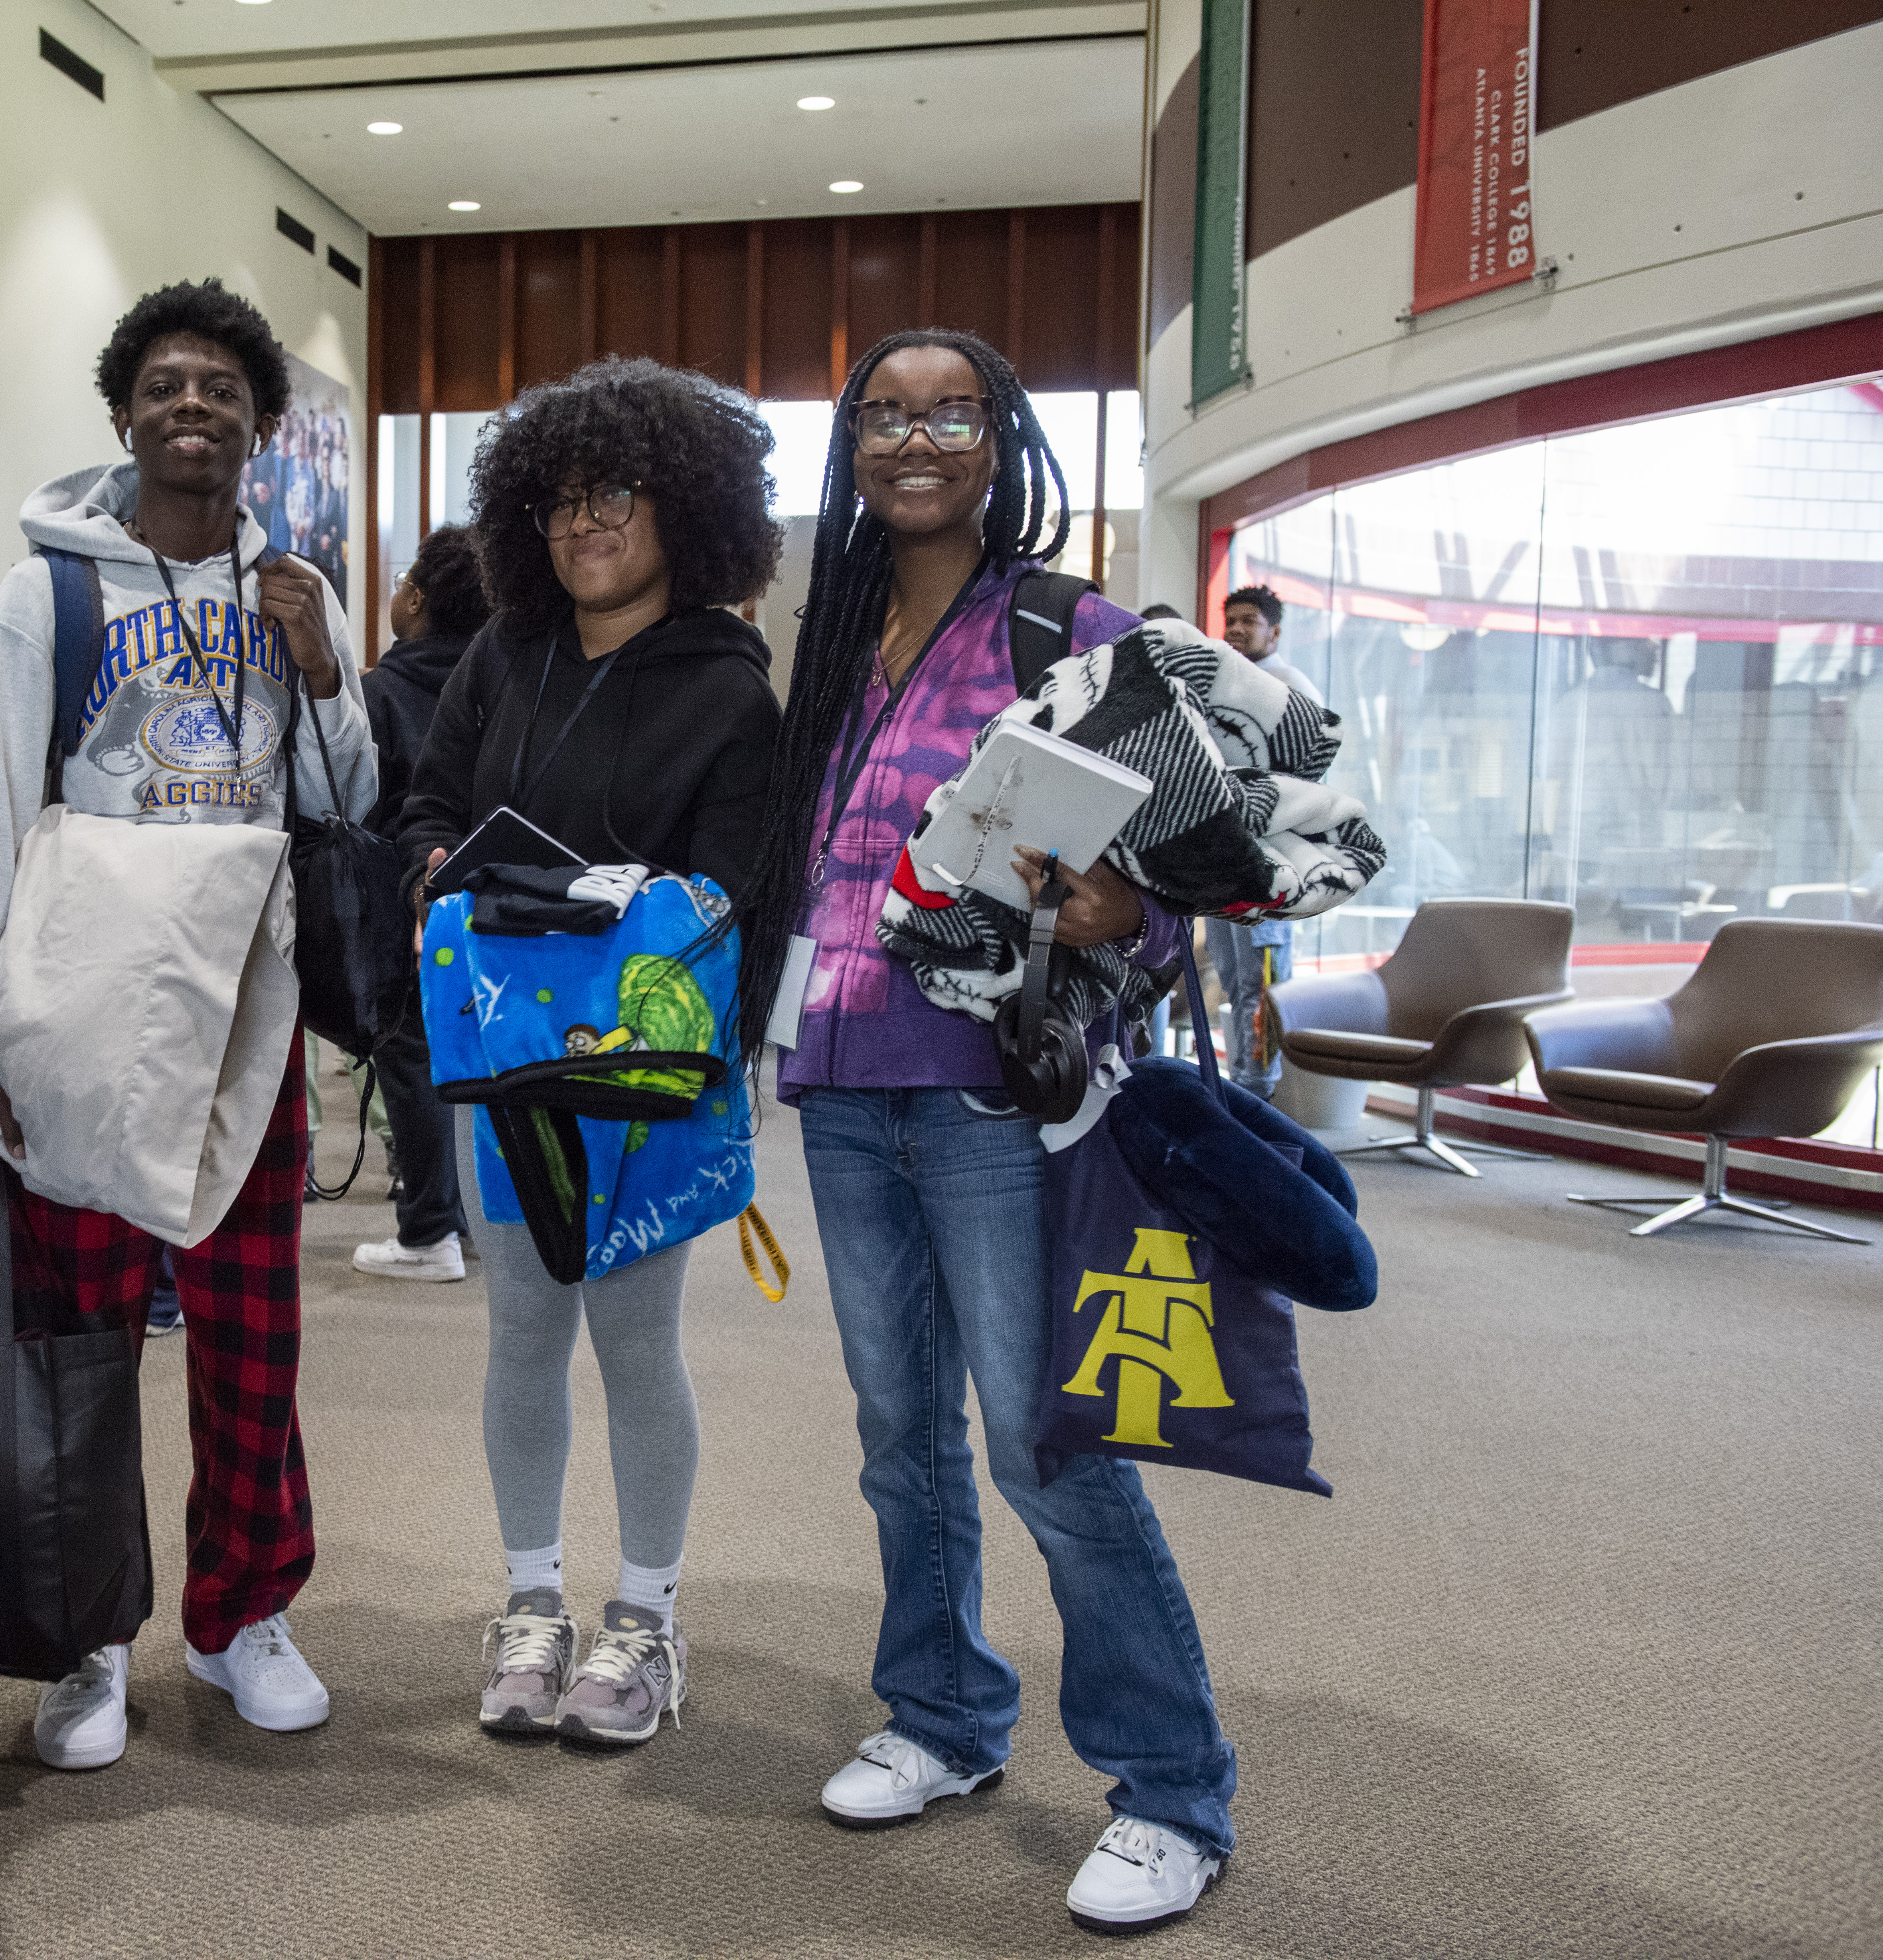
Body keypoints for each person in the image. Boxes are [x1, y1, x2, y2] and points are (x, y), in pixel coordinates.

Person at [730, 328, 1236, 1934]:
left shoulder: (1064, 622)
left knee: (1043, 1446)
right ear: (849, 452)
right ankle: (944, 1716)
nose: (914, 438)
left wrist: (1119, 911)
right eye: (881, 415)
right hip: (843, 1082)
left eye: (950, 410)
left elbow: (1185, 871)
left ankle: (1171, 1789)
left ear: (1000, 434)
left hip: (991, 1091)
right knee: (902, 1441)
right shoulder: (829, 641)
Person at [0, 279, 376, 1771]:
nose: (192, 408)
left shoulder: (299, 588)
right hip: (81, 1015)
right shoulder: (50, 592)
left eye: (221, 391)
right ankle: (84, 1630)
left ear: (257, 426)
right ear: (125, 413)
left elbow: (350, 801)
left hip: (247, 1008)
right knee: (79, 1343)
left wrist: (317, 666)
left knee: (252, 1340)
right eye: (165, 385)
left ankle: (242, 1616)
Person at [395, 358, 781, 1747]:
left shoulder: (736, 690)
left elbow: (743, 887)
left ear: (686, 509)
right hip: (501, 1058)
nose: (583, 525)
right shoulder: (502, 654)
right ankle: (534, 1600)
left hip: (641, 1072)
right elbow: (429, 804)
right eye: (558, 502)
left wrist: (645, 913)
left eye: (615, 493)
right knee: (518, 1331)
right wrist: (442, 861)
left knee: (633, 1340)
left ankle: (650, 1615)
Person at [351, 526, 492, 1283]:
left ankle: (428, 1229)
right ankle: (468, 1216)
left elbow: (356, 805)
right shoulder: (503, 685)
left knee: (411, 1058)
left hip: (401, 901)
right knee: (476, 1059)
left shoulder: (380, 691)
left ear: (417, 598)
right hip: (493, 905)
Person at [1212, 584, 1311, 1093]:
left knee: (1264, 984)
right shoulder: (1227, 685)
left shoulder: (1290, 688)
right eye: (1231, 620)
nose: (1236, 629)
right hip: (1221, 862)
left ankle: (1262, 1089)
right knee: (1232, 982)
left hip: (1267, 864)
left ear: (1274, 631)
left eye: (1249, 621)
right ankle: (1240, 1083)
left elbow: (1302, 780)